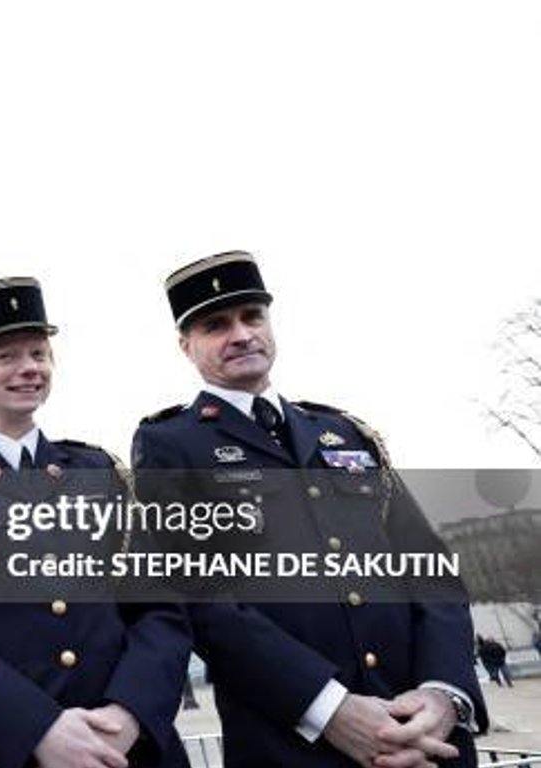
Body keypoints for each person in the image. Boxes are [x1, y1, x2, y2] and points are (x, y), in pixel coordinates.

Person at [131, 250, 489, 767]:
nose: (241, 334)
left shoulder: (343, 433)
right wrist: (330, 709)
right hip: (296, 745)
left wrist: (443, 693)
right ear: (186, 345)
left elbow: (429, 569)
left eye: (252, 316)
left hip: (425, 738)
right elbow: (202, 598)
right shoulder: (169, 446)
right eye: (216, 325)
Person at [0, 276, 192, 768]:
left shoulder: (98, 470)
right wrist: (38, 729)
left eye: (38, 354)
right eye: (6, 356)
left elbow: (159, 609)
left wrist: (130, 714)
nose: (28, 369)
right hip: (9, 753)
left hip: (126, 750)